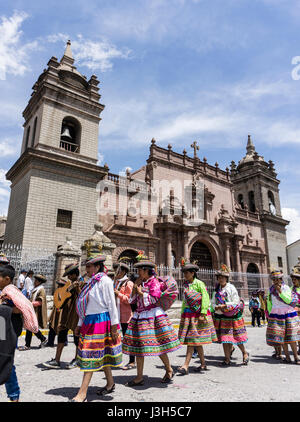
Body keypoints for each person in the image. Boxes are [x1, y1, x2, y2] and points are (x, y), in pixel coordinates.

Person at [70, 255, 122, 402]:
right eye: (86, 266)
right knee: (101, 354)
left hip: (101, 321)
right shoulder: (90, 283)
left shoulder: (105, 281)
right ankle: (110, 383)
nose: (86, 269)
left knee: (90, 355)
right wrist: (80, 324)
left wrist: (114, 326)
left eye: (89, 266)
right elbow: (85, 306)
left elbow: (112, 304)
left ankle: (82, 393)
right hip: (89, 321)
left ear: (97, 267)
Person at [122, 259, 181, 386]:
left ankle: (169, 369)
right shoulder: (141, 282)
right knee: (138, 347)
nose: (138, 272)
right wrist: (135, 289)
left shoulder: (154, 282)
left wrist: (141, 293)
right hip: (140, 315)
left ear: (146, 270)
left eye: (140, 270)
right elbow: (132, 300)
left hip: (152, 316)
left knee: (158, 345)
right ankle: (139, 377)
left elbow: (155, 298)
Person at [177, 263, 217, 374]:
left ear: (193, 273)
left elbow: (205, 298)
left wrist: (203, 313)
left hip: (197, 315)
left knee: (192, 339)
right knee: (196, 341)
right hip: (188, 315)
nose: (184, 274)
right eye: (184, 272)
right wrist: (182, 313)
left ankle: (185, 366)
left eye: (186, 272)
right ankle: (203, 364)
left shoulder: (200, 284)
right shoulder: (186, 285)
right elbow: (185, 301)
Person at [43, 263, 85, 369]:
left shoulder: (83, 283)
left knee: (77, 338)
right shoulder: (68, 284)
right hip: (66, 314)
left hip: (76, 315)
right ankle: (56, 360)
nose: (68, 277)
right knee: (61, 335)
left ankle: (77, 359)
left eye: (70, 275)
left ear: (75, 274)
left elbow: (83, 299)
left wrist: (77, 288)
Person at [211, 264, 249, 366]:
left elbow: (236, 301)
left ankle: (244, 353)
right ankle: (227, 359)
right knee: (225, 339)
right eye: (219, 277)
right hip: (222, 317)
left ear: (226, 278)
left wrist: (225, 305)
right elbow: (213, 303)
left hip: (232, 317)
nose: (220, 279)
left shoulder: (231, 288)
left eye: (222, 277)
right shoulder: (216, 290)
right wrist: (216, 307)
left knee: (237, 337)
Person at [266, 269, 300, 364]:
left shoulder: (286, 288)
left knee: (292, 337)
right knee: (282, 338)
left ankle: (296, 357)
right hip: (276, 315)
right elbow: (270, 303)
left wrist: (280, 291)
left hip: (288, 314)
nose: (276, 281)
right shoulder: (271, 290)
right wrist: (270, 314)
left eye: (278, 279)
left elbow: (288, 300)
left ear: (281, 279)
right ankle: (288, 358)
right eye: (274, 280)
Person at [113, 262, 136, 370]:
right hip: (115, 314)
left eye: (117, 271)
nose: (115, 273)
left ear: (123, 272)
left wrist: (118, 294)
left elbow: (130, 300)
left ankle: (132, 361)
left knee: (128, 339)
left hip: (125, 316)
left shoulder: (128, 283)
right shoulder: (115, 282)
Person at [20, 274, 48, 350]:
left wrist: (29, 303)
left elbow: (40, 302)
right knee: (31, 327)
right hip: (31, 310)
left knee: (31, 327)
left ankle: (28, 345)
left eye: (36, 280)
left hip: (36, 312)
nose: (34, 282)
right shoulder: (35, 289)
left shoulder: (41, 289)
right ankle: (43, 339)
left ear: (39, 282)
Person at [290, 265, 300, 355]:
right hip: (294, 313)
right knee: (297, 331)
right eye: (292, 280)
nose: (293, 281)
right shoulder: (291, 289)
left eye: (295, 280)